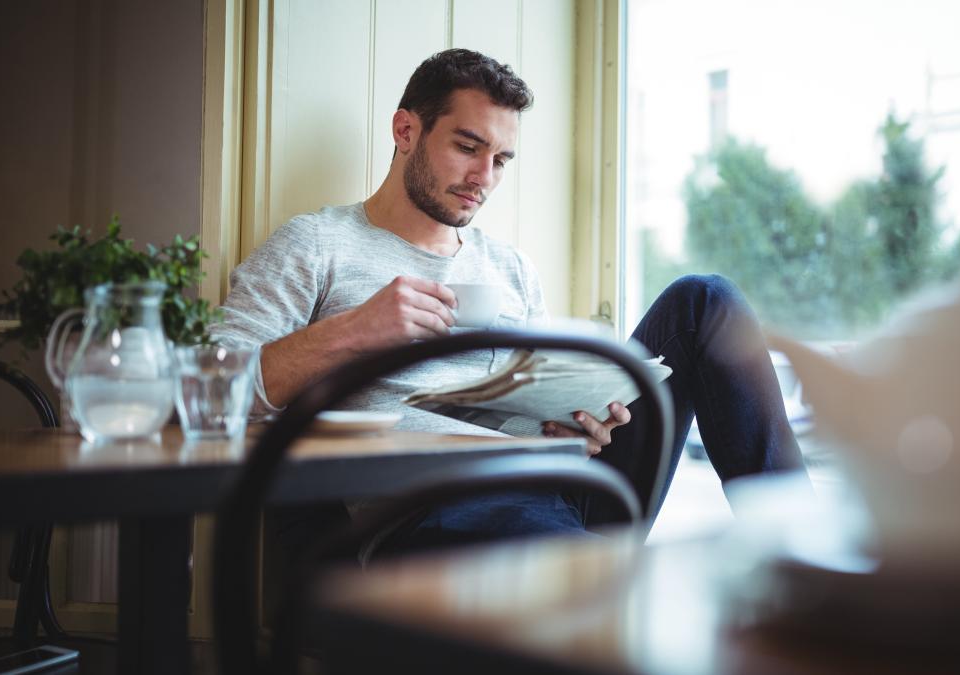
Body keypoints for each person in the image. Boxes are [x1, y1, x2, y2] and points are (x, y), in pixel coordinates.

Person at [213, 48, 802, 554]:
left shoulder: (511, 268)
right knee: (599, 582)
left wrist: (578, 428)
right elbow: (210, 391)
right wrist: (353, 332)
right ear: (405, 131)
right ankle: (597, 582)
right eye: (468, 147)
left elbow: (538, 413)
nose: (484, 177)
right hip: (431, 509)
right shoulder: (318, 244)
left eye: (500, 160)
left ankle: (802, 553)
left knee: (705, 300)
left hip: (556, 487)